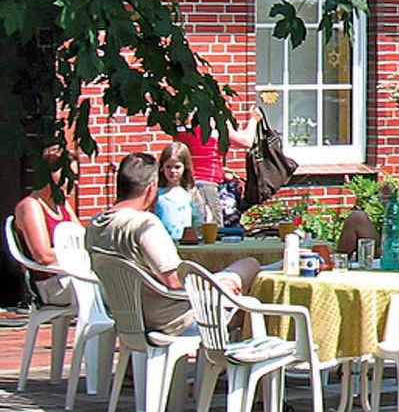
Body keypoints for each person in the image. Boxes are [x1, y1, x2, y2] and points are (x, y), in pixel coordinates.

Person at [85, 153, 261, 336]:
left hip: (129, 318)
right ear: (151, 188)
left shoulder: (95, 224)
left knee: (241, 277)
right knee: (251, 269)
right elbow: (174, 280)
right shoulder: (144, 225)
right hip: (177, 320)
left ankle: (218, 363)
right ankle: (232, 361)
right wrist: (217, 283)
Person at [11, 138, 79, 304]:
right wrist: (79, 255)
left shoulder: (62, 205)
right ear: (50, 175)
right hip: (50, 285)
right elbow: (43, 255)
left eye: (75, 176)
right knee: (113, 292)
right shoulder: (31, 206)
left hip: (70, 276)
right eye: (68, 176)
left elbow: (83, 240)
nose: (74, 182)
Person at [171, 107, 259, 227]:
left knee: (187, 224)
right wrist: (254, 119)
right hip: (206, 182)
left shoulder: (178, 128)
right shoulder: (214, 125)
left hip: (184, 182)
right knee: (213, 227)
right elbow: (246, 141)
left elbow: (197, 154)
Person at [152, 142, 202, 245]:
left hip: (186, 243)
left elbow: (198, 218)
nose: (173, 171)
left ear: (185, 167)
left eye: (177, 167)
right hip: (162, 243)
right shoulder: (157, 193)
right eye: (168, 167)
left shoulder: (190, 193)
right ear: (162, 168)